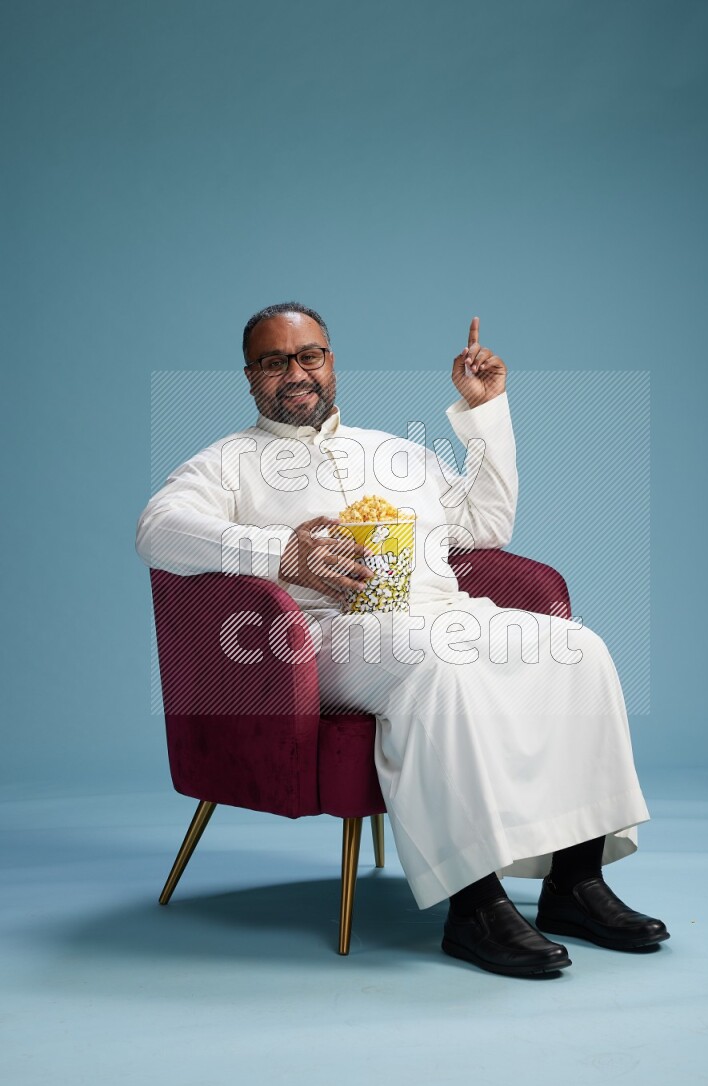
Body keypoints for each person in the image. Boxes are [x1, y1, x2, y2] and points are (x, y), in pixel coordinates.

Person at [136, 301, 669, 977]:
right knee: (437, 666)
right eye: (274, 362)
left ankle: (576, 882)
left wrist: (484, 411)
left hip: (442, 611)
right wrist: (280, 553)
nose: (295, 373)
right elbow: (157, 530)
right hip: (325, 636)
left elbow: (487, 523)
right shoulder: (227, 462)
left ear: (331, 361)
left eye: (309, 356)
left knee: (577, 651)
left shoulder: (395, 452)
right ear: (250, 375)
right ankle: (474, 906)